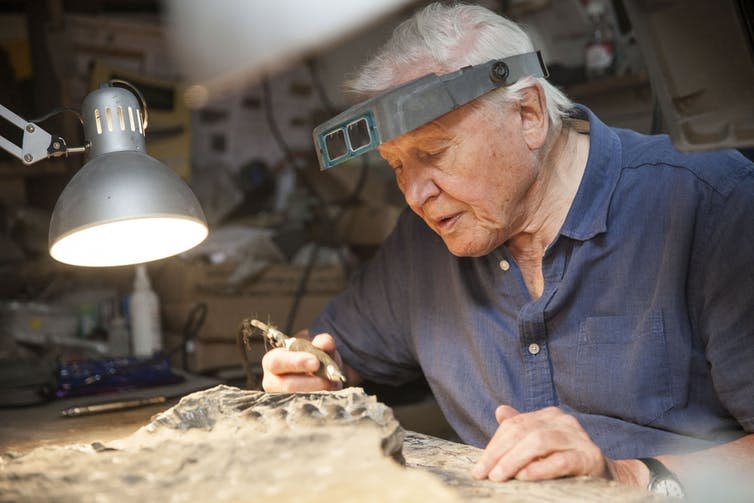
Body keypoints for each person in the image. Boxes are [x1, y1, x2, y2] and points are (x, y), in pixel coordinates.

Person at [262, 2, 754, 497]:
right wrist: (305, 371)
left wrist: (628, 476)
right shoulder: (427, 241)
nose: (414, 196)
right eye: (397, 166)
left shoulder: (711, 204)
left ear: (529, 114)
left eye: (432, 153)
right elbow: (330, 350)